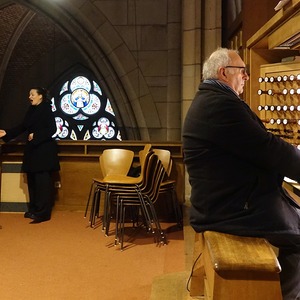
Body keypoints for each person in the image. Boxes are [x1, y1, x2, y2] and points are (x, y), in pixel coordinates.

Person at [182, 47, 300, 300]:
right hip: (229, 208)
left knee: (295, 214)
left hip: (227, 199)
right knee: (298, 236)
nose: (247, 77)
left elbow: (264, 146)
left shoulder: (214, 100)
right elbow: (268, 147)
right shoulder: (220, 105)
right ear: (224, 73)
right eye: (243, 71)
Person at [0, 87, 60, 223]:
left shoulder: (46, 109)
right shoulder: (31, 110)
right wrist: (6, 133)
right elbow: (23, 126)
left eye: (32, 94)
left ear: (40, 96)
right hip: (33, 151)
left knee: (42, 183)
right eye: (29, 94)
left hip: (44, 152)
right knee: (33, 182)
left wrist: (36, 135)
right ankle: (34, 209)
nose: (29, 97)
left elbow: (52, 129)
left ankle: (43, 213)